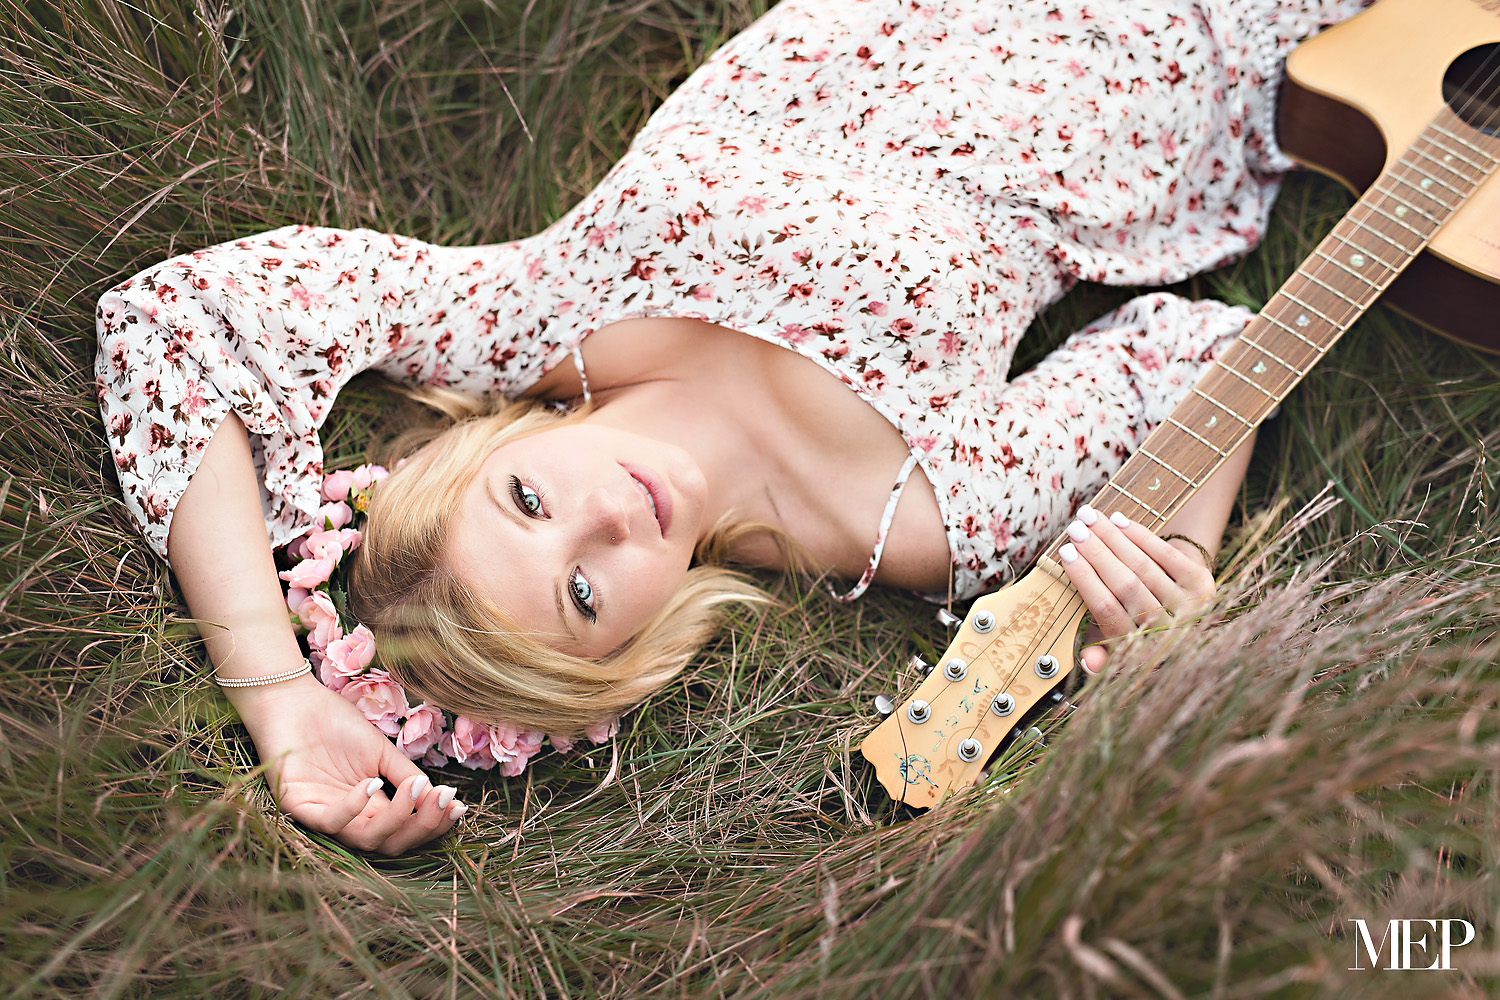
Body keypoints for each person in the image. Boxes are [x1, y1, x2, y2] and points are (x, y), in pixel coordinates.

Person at [95, 0, 1367, 854]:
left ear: (478, 450)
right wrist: (1182, 554)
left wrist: (272, 687)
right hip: (1171, 44)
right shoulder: (900, 516)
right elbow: (1198, 360)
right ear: (632, 655)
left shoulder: (532, 316)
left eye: (528, 503)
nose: (605, 511)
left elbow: (183, 324)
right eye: (586, 592)